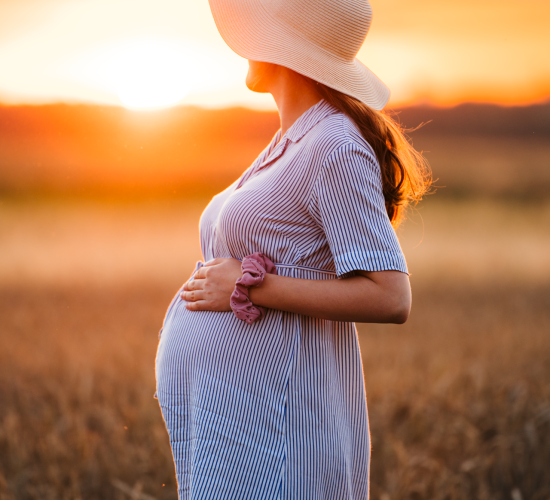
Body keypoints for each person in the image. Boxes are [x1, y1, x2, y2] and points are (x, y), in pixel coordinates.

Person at [155, 0, 431, 498]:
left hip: (283, 433)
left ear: (282, 49)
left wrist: (250, 286)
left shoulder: (335, 145)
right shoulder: (292, 139)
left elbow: (391, 298)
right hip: (240, 427)